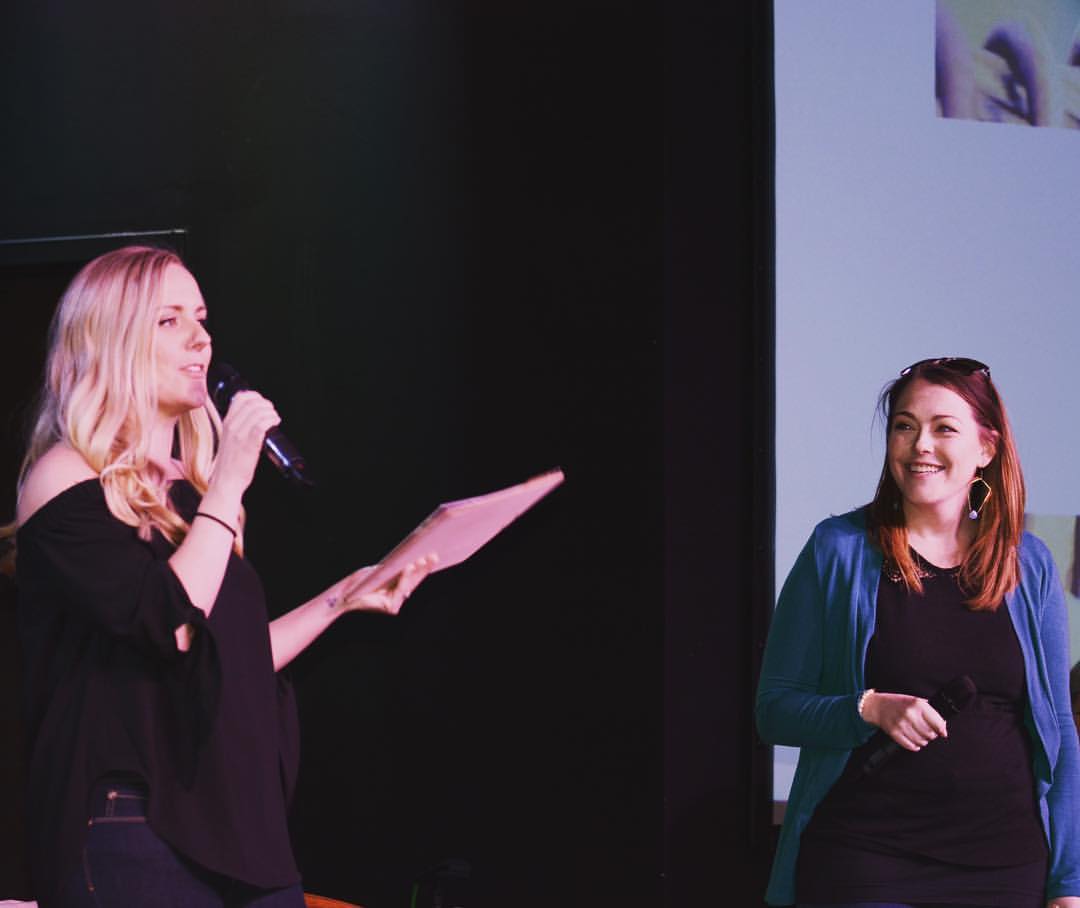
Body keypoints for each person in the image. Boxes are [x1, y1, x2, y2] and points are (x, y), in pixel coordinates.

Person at [2, 246, 435, 908]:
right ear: (110, 340)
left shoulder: (194, 499)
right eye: (169, 319)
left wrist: (343, 598)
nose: (200, 338)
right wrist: (229, 484)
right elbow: (172, 623)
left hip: (235, 826)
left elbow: (225, 653)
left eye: (201, 318)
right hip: (135, 823)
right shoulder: (65, 477)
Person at [756, 357, 1080, 908]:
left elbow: (1060, 732)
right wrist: (869, 708)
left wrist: (1068, 883)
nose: (920, 445)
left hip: (1007, 866)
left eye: (943, 428)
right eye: (904, 426)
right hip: (867, 857)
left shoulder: (1029, 563)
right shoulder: (838, 549)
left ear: (987, 448)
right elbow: (775, 710)